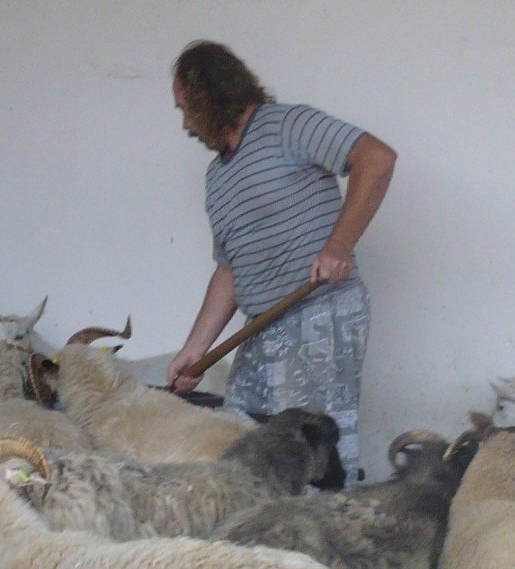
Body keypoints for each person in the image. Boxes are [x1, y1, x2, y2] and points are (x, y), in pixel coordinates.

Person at [165, 41, 397, 485]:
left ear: (209, 95)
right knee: (243, 452)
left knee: (312, 464)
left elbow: (377, 158)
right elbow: (230, 269)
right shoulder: (218, 177)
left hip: (318, 315)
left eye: (186, 108)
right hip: (261, 326)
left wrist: (338, 246)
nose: (185, 124)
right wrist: (195, 350)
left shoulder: (288, 124)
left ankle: (322, 546)